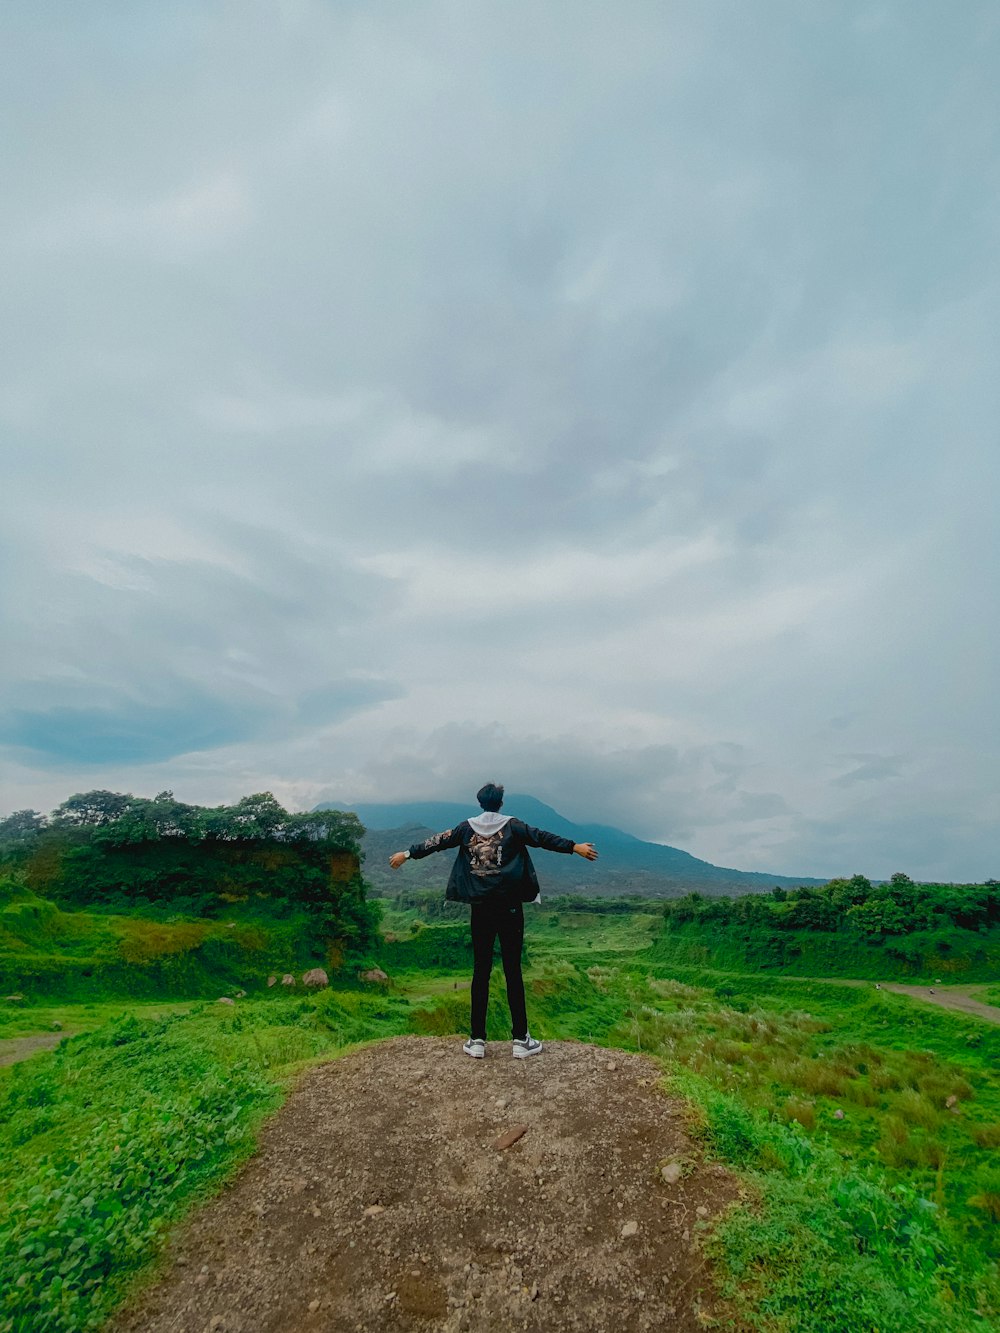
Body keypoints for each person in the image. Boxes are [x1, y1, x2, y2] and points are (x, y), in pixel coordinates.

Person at [389, 782, 598, 1059]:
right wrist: (575, 847)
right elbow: (542, 837)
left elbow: (437, 841)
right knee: (513, 970)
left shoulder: (466, 828)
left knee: (481, 970)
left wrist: (406, 854)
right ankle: (521, 1041)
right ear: (500, 802)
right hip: (510, 908)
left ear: (480, 803)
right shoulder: (513, 825)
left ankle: (477, 1040)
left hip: (481, 908)